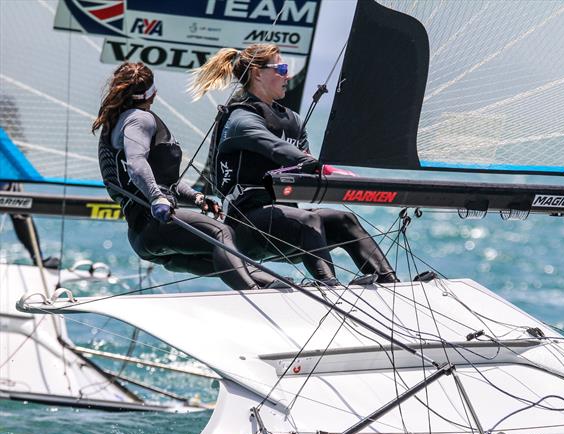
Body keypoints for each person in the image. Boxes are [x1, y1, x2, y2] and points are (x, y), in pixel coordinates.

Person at [189, 44, 399, 285]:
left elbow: (303, 164)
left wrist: (339, 180)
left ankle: (389, 281)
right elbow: (275, 148)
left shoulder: (292, 120)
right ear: (258, 73)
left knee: (344, 221)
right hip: (246, 226)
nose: (287, 75)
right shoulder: (240, 119)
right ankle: (329, 285)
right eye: (281, 68)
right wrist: (323, 168)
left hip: (287, 224)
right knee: (308, 220)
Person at [92, 62, 277, 290]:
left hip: (146, 238)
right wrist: (156, 198)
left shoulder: (120, 120)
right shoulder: (139, 119)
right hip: (156, 224)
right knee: (222, 232)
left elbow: (167, 185)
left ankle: (275, 287)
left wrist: (198, 199)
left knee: (228, 258)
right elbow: (136, 164)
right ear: (153, 92)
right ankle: (255, 291)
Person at [0, 181, 59, 269]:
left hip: (7, 181)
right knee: (19, 212)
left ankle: (37, 258)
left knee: (20, 214)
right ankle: (37, 258)